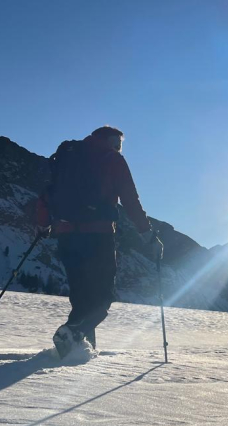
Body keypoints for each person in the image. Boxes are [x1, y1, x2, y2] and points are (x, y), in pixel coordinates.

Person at [35, 125, 154, 356]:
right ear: (111, 141)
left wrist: (43, 224)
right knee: (102, 298)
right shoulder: (112, 160)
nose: (119, 148)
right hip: (97, 235)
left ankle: (80, 349)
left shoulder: (70, 157)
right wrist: (146, 232)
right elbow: (130, 198)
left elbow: (47, 195)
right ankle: (72, 332)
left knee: (81, 297)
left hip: (66, 235)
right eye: (118, 143)